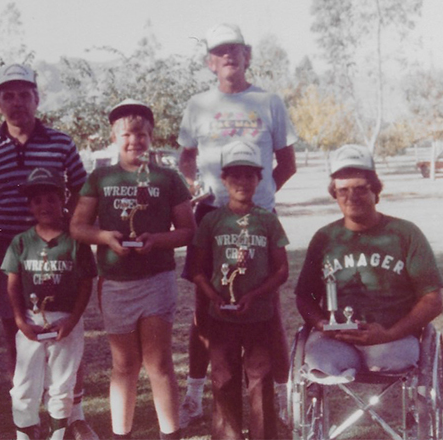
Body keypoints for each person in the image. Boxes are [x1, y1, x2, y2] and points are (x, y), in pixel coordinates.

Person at [177, 23, 298, 427]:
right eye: (219, 51)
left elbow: (287, 163)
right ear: (210, 61)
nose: (228, 56)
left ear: (248, 55)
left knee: (267, 308)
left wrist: (254, 200)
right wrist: (209, 192)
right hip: (211, 215)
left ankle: (279, 394)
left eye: (236, 49)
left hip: (259, 217)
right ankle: (195, 393)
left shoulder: (269, 101)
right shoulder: (197, 105)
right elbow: (186, 158)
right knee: (205, 308)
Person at [0, 63, 92, 433]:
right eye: (9, 95)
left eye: (24, 94)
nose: (17, 102)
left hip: (58, 251)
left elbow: (84, 194)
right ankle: (28, 419)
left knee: (67, 332)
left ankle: (75, 417)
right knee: (18, 335)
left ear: (37, 99)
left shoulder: (61, 142)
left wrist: (77, 237)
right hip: (9, 251)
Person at [70, 99, 195, 440]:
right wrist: (104, 237)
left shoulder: (167, 177)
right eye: (126, 134)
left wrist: (157, 239)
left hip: (156, 280)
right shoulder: (100, 177)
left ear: (151, 135)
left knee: (159, 363)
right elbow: (77, 227)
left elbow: (187, 230)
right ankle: (120, 435)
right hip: (116, 283)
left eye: (141, 134)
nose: (134, 141)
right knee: (124, 366)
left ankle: (170, 434)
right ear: (114, 135)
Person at [295, 144, 443, 385]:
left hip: (392, 341)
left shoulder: (405, 234)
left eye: (360, 189)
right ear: (334, 193)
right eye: (343, 190)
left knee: (388, 357)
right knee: (319, 361)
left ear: (376, 190)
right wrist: (322, 324)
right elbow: (305, 297)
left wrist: (388, 333)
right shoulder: (324, 238)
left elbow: (432, 301)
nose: (351, 197)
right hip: (336, 343)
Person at [191, 141, 289, 439]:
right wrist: (214, 298)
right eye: (235, 176)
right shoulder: (211, 220)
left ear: (260, 180)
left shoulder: (268, 220)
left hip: (259, 315)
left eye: (250, 175)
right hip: (221, 317)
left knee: (260, 380)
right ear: (224, 179)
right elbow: (196, 270)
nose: (242, 182)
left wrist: (255, 295)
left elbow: (282, 270)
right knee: (223, 380)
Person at [2, 167, 97, 440]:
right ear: (30, 206)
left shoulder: (75, 241)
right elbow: (12, 285)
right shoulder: (20, 242)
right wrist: (20, 321)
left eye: (51, 199)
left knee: (62, 383)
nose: (45, 205)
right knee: (23, 384)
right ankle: (25, 435)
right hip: (31, 322)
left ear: (63, 200)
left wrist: (73, 319)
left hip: (66, 321)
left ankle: (57, 437)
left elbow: (85, 284)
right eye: (38, 200)